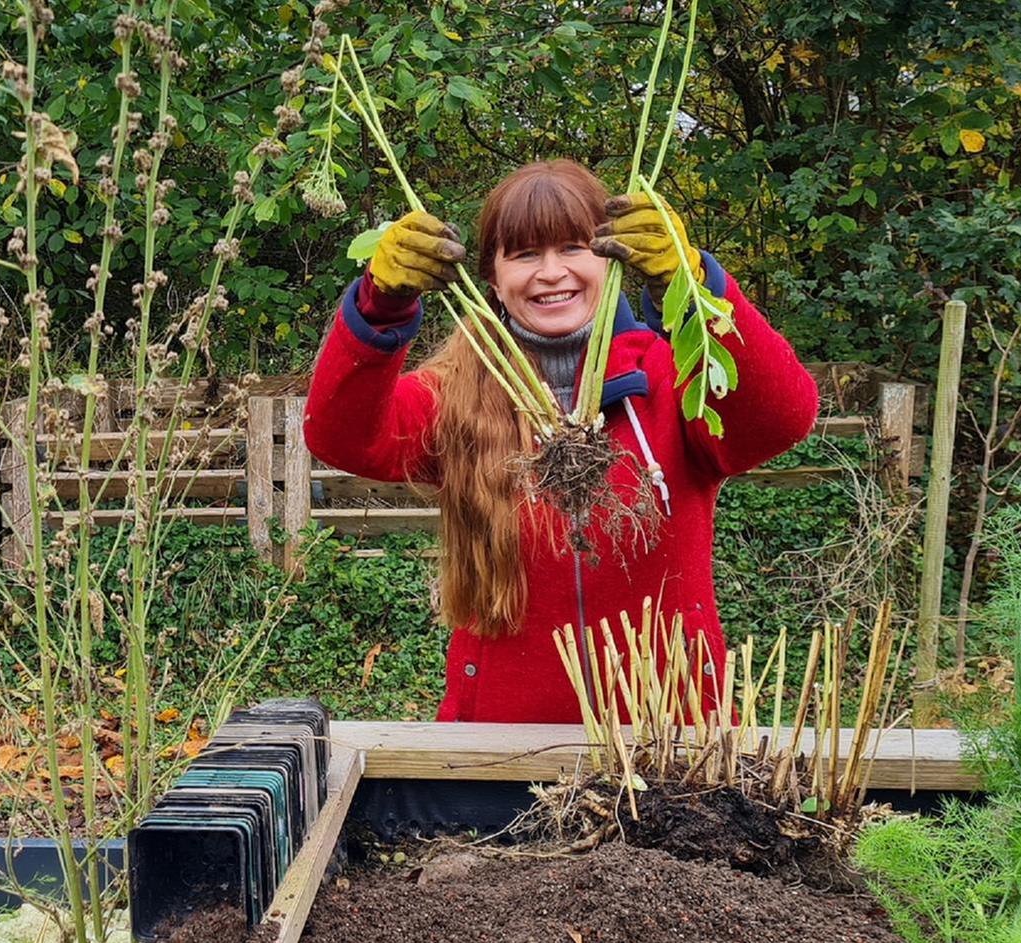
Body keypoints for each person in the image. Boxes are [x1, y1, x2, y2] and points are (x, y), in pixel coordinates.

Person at [302, 160, 818, 724]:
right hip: (499, 743)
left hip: (670, 738)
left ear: (612, 256)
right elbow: (341, 437)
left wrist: (696, 291)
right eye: (525, 254)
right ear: (493, 277)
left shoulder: (671, 377)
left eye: (574, 247)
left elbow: (783, 417)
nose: (551, 272)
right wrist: (380, 305)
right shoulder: (458, 392)